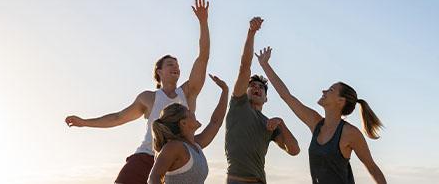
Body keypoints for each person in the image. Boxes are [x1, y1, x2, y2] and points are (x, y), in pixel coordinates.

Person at [65, 0, 212, 184]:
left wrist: (203, 22)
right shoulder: (148, 98)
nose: (176, 67)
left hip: (176, 162)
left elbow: (203, 57)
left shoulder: (188, 92)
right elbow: (118, 118)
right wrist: (85, 122)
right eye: (170, 64)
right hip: (146, 157)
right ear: (159, 71)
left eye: (177, 65)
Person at [255, 45, 387, 184]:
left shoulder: (350, 133)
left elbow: (372, 168)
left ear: (340, 101)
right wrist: (265, 65)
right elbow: (286, 96)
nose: (324, 91)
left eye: (330, 90)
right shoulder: (315, 122)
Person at [225, 17, 300, 184]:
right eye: (252, 86)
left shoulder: (269, 124)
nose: (257, 88)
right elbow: (245, 66)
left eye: (261, 87)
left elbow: (294, 150)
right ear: (245, 90)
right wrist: (251, 33)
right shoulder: (239, 104)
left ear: (266, 98)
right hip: (236, 180)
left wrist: (281, 123)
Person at [147, 74, 229, 184]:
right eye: (189, 112)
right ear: (183, 123)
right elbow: (153, 179)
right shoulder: (173, 147)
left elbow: (216, 122)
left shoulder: (195, 145)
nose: (193, 112)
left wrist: (225, 91)